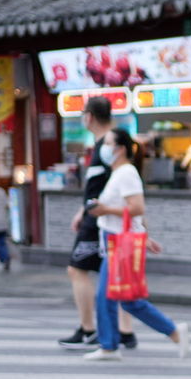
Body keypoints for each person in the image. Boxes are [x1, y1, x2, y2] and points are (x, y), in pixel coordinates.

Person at [81, 131, 187, 361]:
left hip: (119, 243)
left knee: (108, 295)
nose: (103, 148)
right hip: (116, 240)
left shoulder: (126, 173)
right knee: (125, 299)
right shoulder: (118, 173)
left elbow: (137, 208)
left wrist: (104, 209)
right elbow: (132, 215)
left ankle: (110, 346)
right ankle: (172, 331)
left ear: (120, 148)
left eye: (107, 143)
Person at [58, 97, 136, 349]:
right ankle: (124, 331)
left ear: (89, 117)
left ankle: (88, 329)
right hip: (98, 216)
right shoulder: (102, 145)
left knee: (77, 269)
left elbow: (117, 182)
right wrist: (82, 210)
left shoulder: (106, 146)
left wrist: (92, 210)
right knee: (115, 276)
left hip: (99, 219)